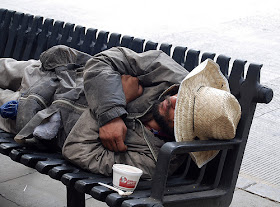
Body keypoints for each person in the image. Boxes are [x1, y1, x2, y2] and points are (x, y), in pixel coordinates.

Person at [0, 45, 241, 179]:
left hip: (37, 117)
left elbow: (76, 150)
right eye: (187, 95)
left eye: (183, 112)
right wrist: (112, 111)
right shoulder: (169, 75)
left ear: (186, 135)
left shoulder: (153, 160)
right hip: (64, 75)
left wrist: (116, 107)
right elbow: (106, 59)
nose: (174, 99)